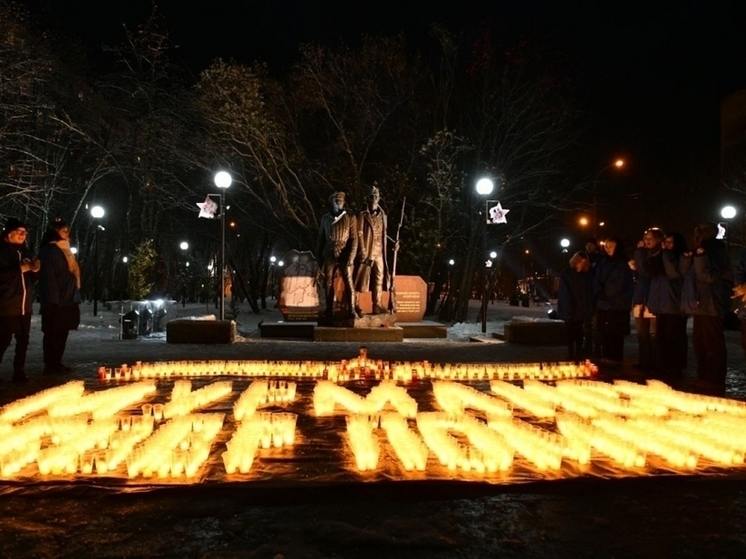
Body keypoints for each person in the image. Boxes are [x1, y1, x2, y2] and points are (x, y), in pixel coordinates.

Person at [680, 222, 733, 387]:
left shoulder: (715, 252)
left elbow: (707, 277)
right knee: (700, 341)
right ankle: (704, 374)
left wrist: (700, 258)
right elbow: (685, 274)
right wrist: (688, 257)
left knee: (712, 342)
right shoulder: (701, 252)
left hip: (711, 302)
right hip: (701, 303)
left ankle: (714, 377)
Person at [37, 219, 81, 375]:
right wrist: (53, 300)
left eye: (67, 230)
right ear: (55, 232)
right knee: (53, 335)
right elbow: (49, 277)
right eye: (63, 231)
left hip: (67, 300)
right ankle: (50, 365)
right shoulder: (50, 251)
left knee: (62, 334)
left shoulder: (65, 250)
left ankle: (56, 362)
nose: (67, 234)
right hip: (56, 302)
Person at [0, 217, 40, 383]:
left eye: (25, 233)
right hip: (6, 304)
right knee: (2, 340)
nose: (23, 235)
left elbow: (30, 279)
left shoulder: (25, 252)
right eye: (20, 232)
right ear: (9, 233)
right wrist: (19, 269)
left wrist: (35, 270)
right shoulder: (2, 251)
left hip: (24, 305)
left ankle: (19, 371)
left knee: (23, 340)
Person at [647, 232, 689, 379]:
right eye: (666, 242)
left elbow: (674, 274)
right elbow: (648, 270)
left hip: (674, 305)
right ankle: (664, 365)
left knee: (674, 339)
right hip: (662, 305)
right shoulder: (661, 258)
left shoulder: (681, 257)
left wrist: (666, 254)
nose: (667, 245)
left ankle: (675, 367)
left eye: (671, 242)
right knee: (662, 338)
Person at [315, 192, 360, 318]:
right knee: (327, 282)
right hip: (329, 253)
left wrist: (351, 257)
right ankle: (329, 310)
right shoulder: (325, 219)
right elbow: (321, 239)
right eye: (336, 200)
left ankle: (352, 310)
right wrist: (317, 256)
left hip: (344, 252)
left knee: (349, 281)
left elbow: (354, 239)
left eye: (340, 200)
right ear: (332, 202)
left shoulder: (350, 218)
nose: (338, 202)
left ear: (344, 202)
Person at [593, 237, 633, 365]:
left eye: (611, 246)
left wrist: (607, 294)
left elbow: (621, 283)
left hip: (618, 304)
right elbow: (596, 279)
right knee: (605, 331)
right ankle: (606, 355)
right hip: (604, 304)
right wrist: (599, 291)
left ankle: (615, 356)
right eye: (607, 246)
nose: (608, 249)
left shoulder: (623, 263)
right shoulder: (602, 263)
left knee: (616, 332)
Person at [631, 227, 664, 371]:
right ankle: (644, 361)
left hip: (653, 299)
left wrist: (639, 253)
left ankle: (656, 363)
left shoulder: (659, 256)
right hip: (641, 298)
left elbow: (645, 272)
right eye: (646, 238)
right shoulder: (645, 256)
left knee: (654, 335)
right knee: (642, 334)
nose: (647, 241)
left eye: (650, 238)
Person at [355, 185, 389, 314]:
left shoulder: (383, 216)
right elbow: (358, 233)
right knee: (360, 278)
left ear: (379, 198)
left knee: (379, 278)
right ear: (367, 199)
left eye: (376, 196)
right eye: (371, 196)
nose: (374, 198)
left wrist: (394, 244)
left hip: (379, 252)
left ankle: (377, 305)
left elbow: (384, 234)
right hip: (367, 251)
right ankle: (355, 305)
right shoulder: (362, 215)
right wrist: (362, 250)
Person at [557, 251, 594, 362]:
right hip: (570, 307)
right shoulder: (566, 274)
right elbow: (564, 293)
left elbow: (588, 292)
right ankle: (571, 352)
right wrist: (568, 308)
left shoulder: (586, 275)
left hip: (580, 308)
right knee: (570, 331)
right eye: (581, 262)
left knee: (579, 331)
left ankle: (578, 352)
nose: (582, 265)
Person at [583, 238, 602, 356]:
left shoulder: (599, 259)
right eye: (587, 244)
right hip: (586, 295)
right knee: (586, 324)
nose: (589, 246)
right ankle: (588, 346)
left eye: (591, 244)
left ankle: (597, 347)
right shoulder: (584, 257)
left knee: (596, 324)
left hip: (596, 295)